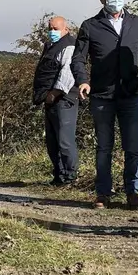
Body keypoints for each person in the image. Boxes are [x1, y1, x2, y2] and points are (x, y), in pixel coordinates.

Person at [72, 0, 138, 209]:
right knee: (104, 147)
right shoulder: (90, 26)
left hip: (130, 94)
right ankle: (103, 193)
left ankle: (133, 193)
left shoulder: (136, 23)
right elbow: (78, 58)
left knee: (133, 147)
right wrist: (83, 81)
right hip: (101, 96)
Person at [32, 15, 80, 186]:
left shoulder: (70, 45)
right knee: (52, 141)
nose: (52, 32)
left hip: (63, 98)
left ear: (66, 29)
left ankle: (70, 177)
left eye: (56, 29)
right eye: (50, 28)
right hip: (50, 99)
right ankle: (59, 176)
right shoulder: (50, 46)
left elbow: (67, 72)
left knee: (64, 140)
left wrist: (54, 94)